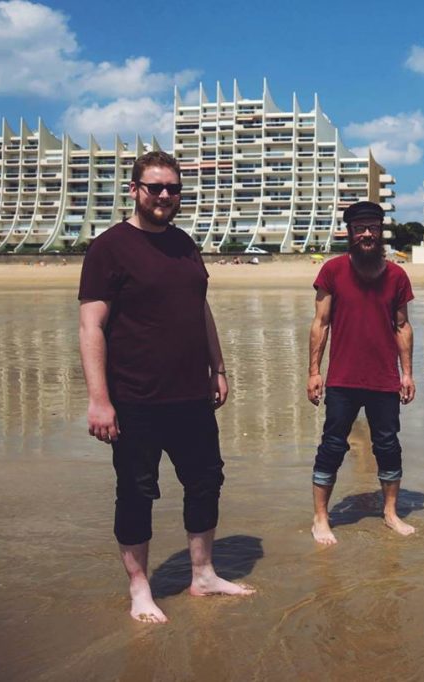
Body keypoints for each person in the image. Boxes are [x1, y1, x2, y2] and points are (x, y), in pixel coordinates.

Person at [78, 151, 254, 624]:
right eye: (154, 187)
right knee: (136, 491)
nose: (163, 195)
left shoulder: (184, 244)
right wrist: (99, 400)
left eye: (172, 188)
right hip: (135, 398)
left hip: (191, 395)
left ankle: (202, 574)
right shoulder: (109, 247)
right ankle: (140, 588)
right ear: (134, 189)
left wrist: (218, 366)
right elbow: (91, 326)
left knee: (206, 481)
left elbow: (200, 308)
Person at [308, 201, 417, 545]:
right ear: (350, 232)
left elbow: (402, 327)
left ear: (381, 230)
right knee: (332, 445)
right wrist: (313, 372)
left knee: (388, 445)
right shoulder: (333, 270)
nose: (367, 234)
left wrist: (408, 373)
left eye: (373, 227)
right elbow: (320, 324)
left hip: (384, 379)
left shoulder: (397, 275)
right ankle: (321, 518)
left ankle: (390, 512)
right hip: (342, 378)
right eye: (360, 228)